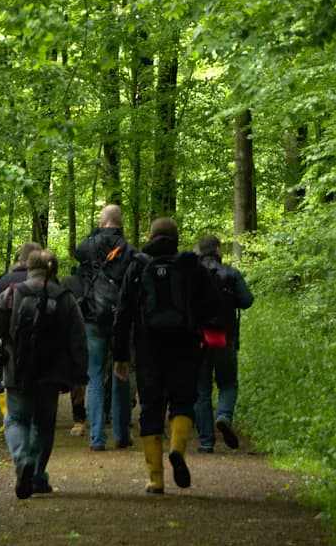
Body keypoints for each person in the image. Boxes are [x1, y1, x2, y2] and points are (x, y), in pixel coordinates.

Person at [113, 216, 217, 495]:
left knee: (150, 406)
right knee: (183, 401)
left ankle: (155, 479)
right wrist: (199, 327)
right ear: (176, 238)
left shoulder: (137, 266)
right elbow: (212, 303)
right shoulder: (190, 265)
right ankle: (177, 449)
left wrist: (120, 354)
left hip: (148, 347)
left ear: (150, 236)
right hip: (185, 344)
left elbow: (123, 312)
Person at [0, 249, 87, 499]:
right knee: (43, 424)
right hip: (52, 374)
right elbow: (78, 339)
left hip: (17, 372)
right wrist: (79, 377)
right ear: (54, 269)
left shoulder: (12, 293)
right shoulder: (64, 297)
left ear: (28, 267)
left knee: (16, 419)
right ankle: (38, 477)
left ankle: (22, 461)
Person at [73, 203, 136, 451]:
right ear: (121, 223)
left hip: (93, 316)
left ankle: (97, 437)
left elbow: (77, 252)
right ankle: (121, 434)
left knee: (95, 375)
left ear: (102, 222)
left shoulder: (90, 246)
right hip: (121, 319)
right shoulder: (129, 250)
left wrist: (93, 234)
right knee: (121, 372)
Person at [193, 234, 254, 451]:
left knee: (201, 390)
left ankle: (206, 442)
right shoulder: (231, 273)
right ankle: (224, 416)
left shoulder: (193, 276)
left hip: (199, 339)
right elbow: (247, 301)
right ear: (218, 250)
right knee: (228, 383)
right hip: (224, 338)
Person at [0, 242, 41, 424]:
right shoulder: (46, 281)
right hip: (39, 345)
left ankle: (10, 420)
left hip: (7, 344)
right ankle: (32, 419)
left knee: (5, 379)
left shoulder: (4, 281)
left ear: (18, 259)